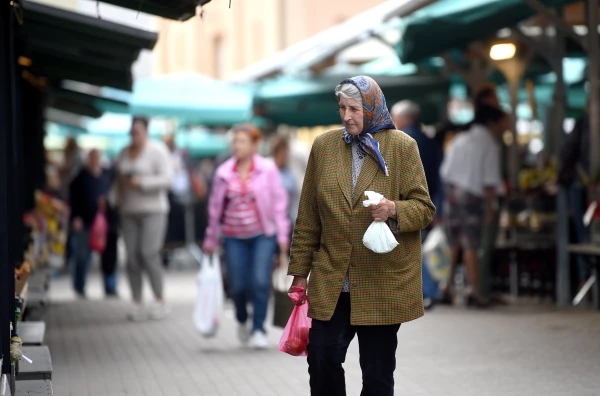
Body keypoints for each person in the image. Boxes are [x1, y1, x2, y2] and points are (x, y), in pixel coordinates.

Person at [288, 76, 435, 396]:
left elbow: (424, 209)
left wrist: (393, 209)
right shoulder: (324, 147)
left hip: (381, 279)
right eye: (342, 107)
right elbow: (308, 216)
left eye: (354, 108)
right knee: (322, 357)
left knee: (378, 372)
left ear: (371, 108)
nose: (346, 116)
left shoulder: (401, 147)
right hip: (332, 277)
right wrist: (300, 275)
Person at [203, 123, 290, 349]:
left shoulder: (267, 168)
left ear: (254, 144)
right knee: (238, 286)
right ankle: (242, 318)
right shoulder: (224, 172)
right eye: (235, 142)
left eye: (242, 141)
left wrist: (283, 235)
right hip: (233, 237)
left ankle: (259, 329)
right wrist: (210, 239)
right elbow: (214, 209)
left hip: (263, 235)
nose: (237, 146)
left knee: (260, 282)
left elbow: (279, 203)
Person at [440, 105, 508, 307]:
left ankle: (447, 286)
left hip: (452, 194)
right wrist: (490, 208)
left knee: (453, 243)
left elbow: (446, 171)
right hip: (473, 197)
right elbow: (490, 180)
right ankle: (474, 290)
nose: (506, 126)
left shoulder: (460, 139)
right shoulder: (489, 142)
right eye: (504, 121)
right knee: (471, 244)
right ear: (492, 122)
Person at [113, 116, 173, 321]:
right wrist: (114, 199)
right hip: (128, 210)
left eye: (137, 132)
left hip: (153, 210)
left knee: (148, 253)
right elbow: (119, 180)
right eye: (131, 132)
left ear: (146, 131)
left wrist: (143, 183)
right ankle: (137, 301)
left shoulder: (157, 150)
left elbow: (167, 179)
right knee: (131, 257)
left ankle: (160, 299)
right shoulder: (124, 152)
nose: (134, 136)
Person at [392, 100, 443, 309]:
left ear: (404, 118)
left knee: (413, 247)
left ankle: (429, 291)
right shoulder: (430, 141)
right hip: (431, 200)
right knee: (420, 246)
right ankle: (429, 290)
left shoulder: (403, 140)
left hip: (409, 202)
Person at [68, 149, 117, 298]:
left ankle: (110, 287)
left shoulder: (108, 175)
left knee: (109, 256)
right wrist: (75, 217)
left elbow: (115, 195)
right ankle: (79, 287)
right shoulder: (80, 177)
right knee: (82, 256)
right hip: (86, 221)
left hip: (106, 222)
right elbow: (73, 199)